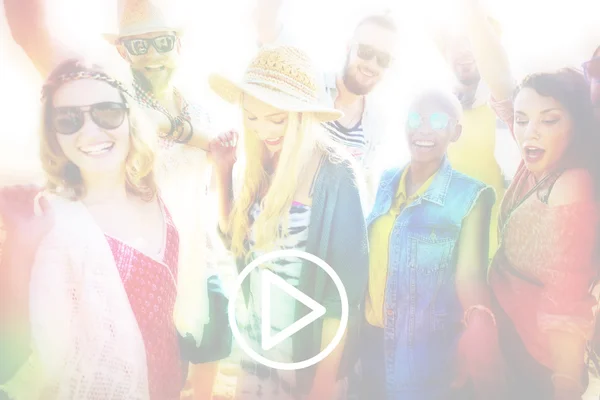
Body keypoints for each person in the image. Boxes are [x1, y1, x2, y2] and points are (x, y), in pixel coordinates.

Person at [3, 1, 231, 397]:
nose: (153, 54)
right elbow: (29, 30)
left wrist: (213, 153)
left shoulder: (199, 111)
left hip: (187, 253)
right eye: (138, 45)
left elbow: (214, 184)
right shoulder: (109, 100)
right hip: (119, 254)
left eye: (161, 41)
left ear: (177, 43)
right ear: (122, 50)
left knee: (182, 362)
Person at [208, 45, 369, 400]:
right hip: (259, 353)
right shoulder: (260, 164)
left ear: (302, 115)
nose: (263, 129)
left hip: (310, 361)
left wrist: (324, 385)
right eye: (251, 116)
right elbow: (235, 244)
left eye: (276, 118)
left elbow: (344, 295)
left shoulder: (336, 175)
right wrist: (223, 172)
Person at [362, 88, 503, 399]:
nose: (423, 128)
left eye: (438, 120)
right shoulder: (386, 181)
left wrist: (475, 343)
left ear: (456, 131)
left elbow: (470, 278)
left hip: (425, 355)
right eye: (415, 118)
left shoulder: (471, 197)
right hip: (369, 343)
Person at [255, 3, 399, 199]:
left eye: (383, 59)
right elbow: (268, 30)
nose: (372, 64)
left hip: (326, 226)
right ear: (349, 47)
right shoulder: (310, 83)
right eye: (365, 51)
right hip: (279, 211)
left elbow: (361, 186)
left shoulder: (376, 123)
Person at [430, 10, 505, 260]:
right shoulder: (436, 109)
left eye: (470, 40)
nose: (462, 50)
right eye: (454, 44)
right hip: (442, 257)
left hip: (498, 261)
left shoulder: (513, 108)